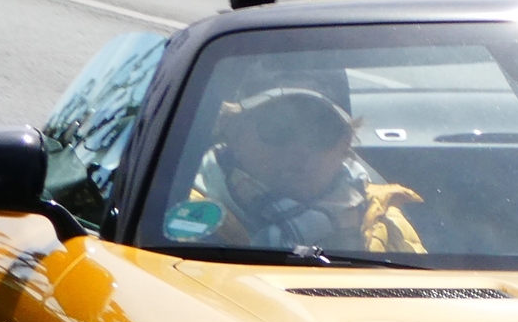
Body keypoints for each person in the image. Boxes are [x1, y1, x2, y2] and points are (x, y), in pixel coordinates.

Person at [168, 86, 429, 254]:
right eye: (276, 129)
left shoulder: (382, 216)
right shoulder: (188, 218)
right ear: (233, 132)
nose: (301, 150)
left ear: (346, 142)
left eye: (323, 133)